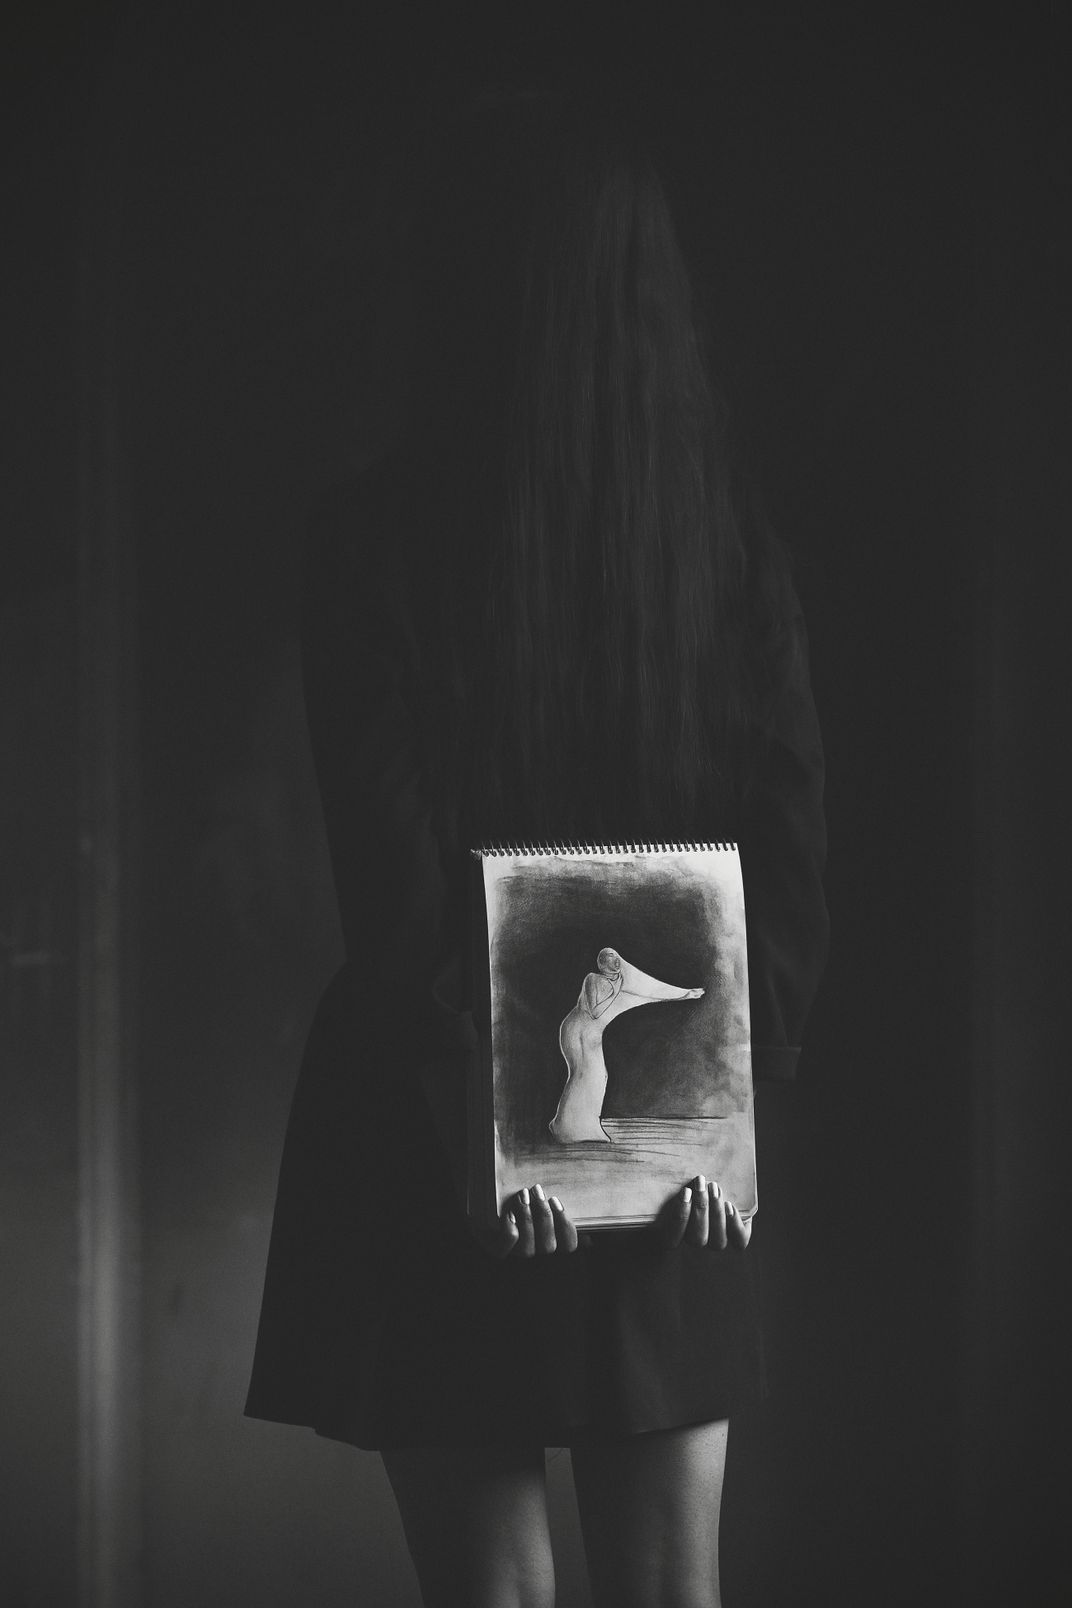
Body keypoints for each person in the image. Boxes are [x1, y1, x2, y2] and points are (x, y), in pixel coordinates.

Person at [245, 85, 828, 1608]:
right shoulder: (732, 565)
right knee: (669, 1591)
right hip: (664, 1133)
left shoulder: (368, 546)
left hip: (433, 1127)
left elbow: (395, 891)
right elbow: (787, 875)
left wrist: (493, 1132)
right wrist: (712, 1122)